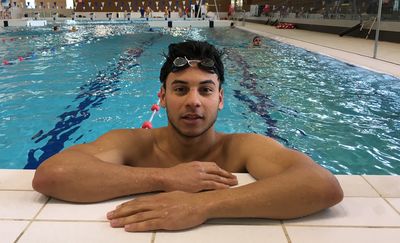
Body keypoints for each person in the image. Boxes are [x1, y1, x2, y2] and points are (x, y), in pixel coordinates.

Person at [33, 40, 343, 232]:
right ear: (163, 97)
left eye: (205, 90)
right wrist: (166, 179)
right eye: (180, 89)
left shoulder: (243, 147)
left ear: (220, 98)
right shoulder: (132, 143)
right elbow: (51, 175)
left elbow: (322, 185)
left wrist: (201, 207)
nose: (193, 100)